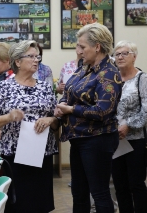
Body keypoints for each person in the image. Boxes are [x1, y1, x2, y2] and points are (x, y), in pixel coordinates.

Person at [0, 40, 59, 212]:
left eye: (37, 57)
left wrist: (50, 120)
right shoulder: (5, 87)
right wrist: (9, 116)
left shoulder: (45, 87)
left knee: (40, 202)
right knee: (19, 203)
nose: (36, 60)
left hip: (42, 153)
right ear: (17, 62)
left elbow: (56, 117)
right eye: (31, 57)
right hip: (15, 153)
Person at [55, 23, 122, 213]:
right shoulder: (84, 68)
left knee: (99, 193)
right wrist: (61, 106)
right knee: (79, 191)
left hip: (98, 139)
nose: (79, 51)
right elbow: (67, 90)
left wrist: (69, 109)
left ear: (97, 47)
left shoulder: (108, 73)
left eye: (82, 47)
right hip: (79, 138)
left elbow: (103, 110)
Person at [111, 40, 147, 213]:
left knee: (136, 184)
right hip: (114, 140)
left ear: (134, 56)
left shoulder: (142, 78)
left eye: (124, 53)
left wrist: (128, 125)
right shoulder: (112, 78)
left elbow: (146, 110)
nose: (120, 57)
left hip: (135, 139)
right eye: (117, 54)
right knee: (120, 185)